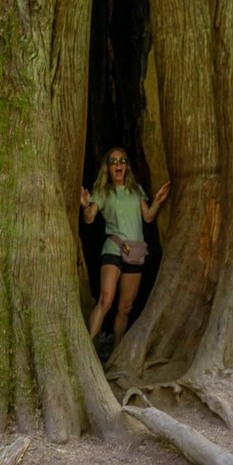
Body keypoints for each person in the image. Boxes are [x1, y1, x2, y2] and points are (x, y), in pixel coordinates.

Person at [81, 147, 170, 347]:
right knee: (105, 301)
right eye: (113, 161)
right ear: (108, 168)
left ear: (127, 166)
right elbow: (89, 219)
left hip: (136, 252)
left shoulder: (135, 190)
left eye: (122, 161)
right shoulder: (102, 192)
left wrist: (157, 201)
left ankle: (117, 355)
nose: (118, 165)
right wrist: (86, 205)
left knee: (125, 307)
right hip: (113, 250)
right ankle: (88, 349)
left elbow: (148, 217)